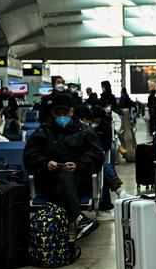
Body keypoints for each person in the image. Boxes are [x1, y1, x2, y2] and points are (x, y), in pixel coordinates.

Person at [23, 96, 105, 240]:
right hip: (49, 180)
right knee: (62, 173)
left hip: (78, 181)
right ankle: (79, 219)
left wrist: (78, 164)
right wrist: (45, 163)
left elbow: (97, 156)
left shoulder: (85, 132)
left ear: (72, 112)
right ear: (52, 113)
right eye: (57, 112)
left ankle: (59, 231)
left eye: (65, 112)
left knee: (64, 173)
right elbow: (30, 155)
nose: (62, 116)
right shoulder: (43, 131)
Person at [91, 106, 131, 220]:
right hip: (90, 158)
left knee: (103, 167)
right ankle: (119, 191)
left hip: (97, 155)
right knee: (103, 166)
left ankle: (107, 206)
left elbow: (107, 145)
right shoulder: (84, 128)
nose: (95, 121)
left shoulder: (106, 128)